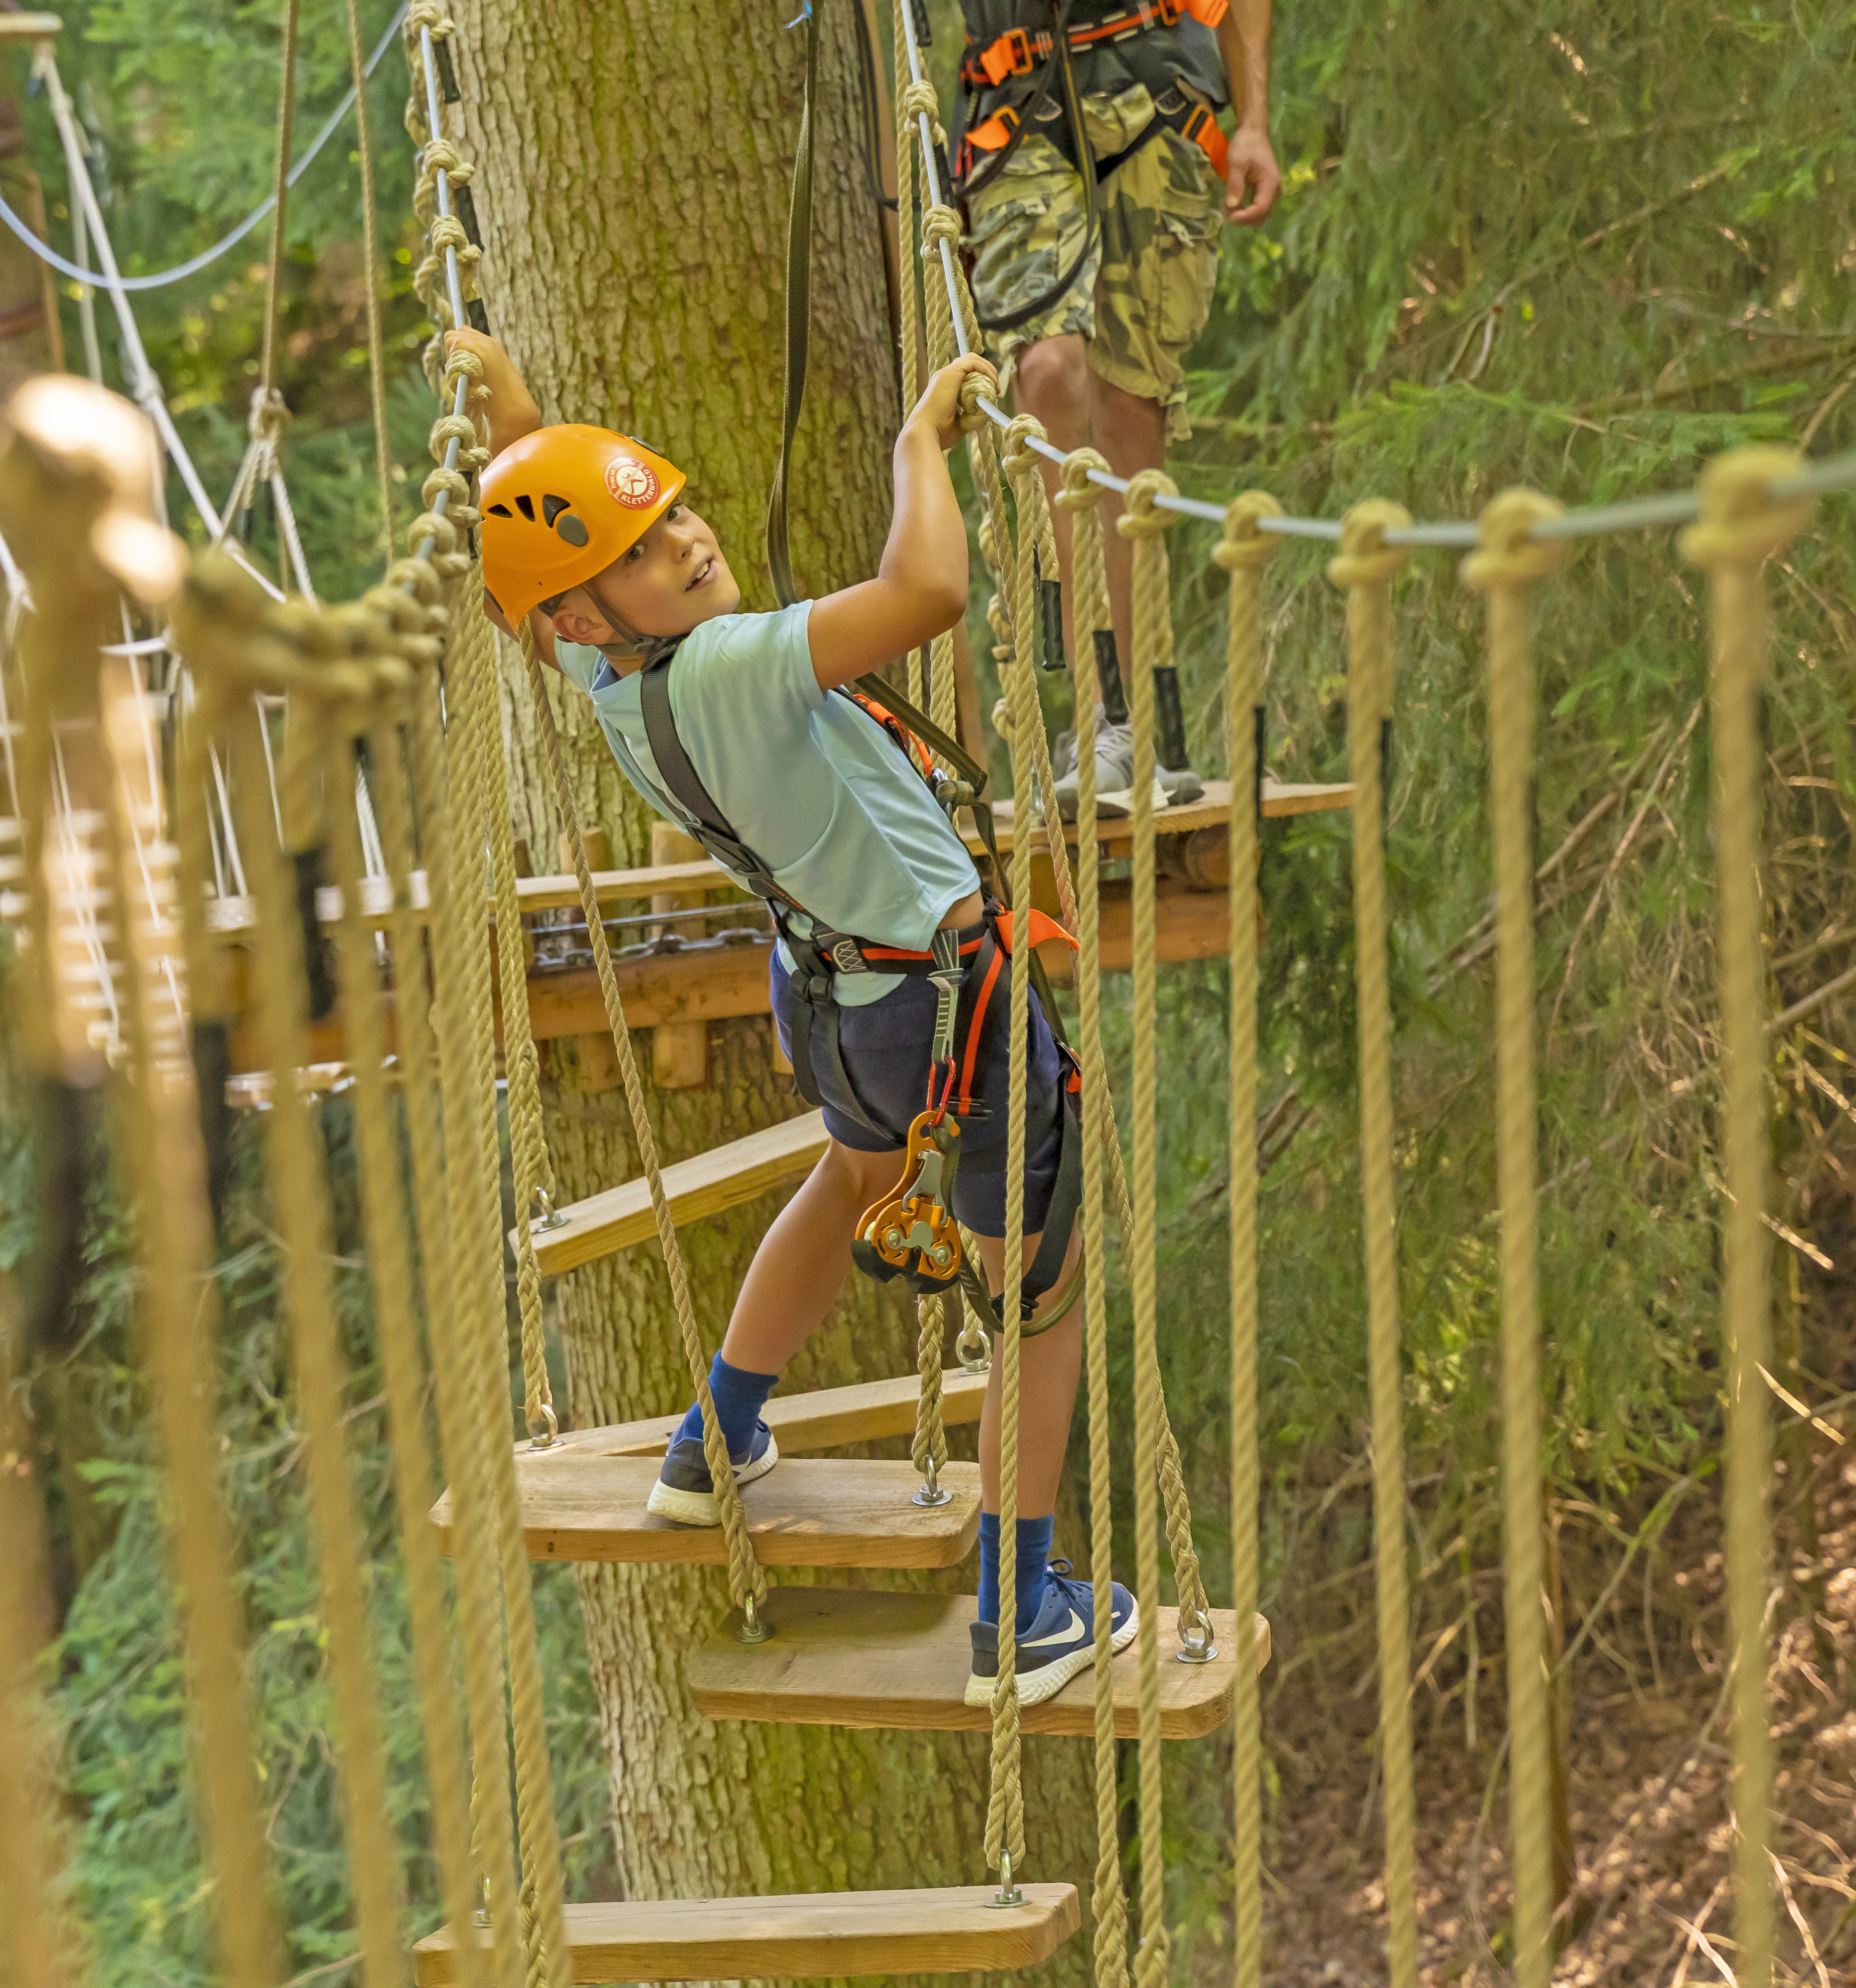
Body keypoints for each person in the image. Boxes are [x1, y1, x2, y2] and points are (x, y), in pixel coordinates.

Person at [449, 324, 1130, 1710]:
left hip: (834, 1000)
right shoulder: (739, 662)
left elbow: (534, 615)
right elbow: (928, 587)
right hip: (950, 1009)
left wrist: (520, 429)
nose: (688, 544)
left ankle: (716, 1440)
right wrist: (915, 444)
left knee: (855, 1176)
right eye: (643, 554)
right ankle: (1023, 1612)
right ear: (588, 614)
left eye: (674, 515)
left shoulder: (620, 686)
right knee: (1037, 1306)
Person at [950, 0, 1280, 814]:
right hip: (1015, 104)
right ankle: (1102, 719)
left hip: (1160, 85)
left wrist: (1255, 121)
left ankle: (1138, 723)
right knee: (1049, 376)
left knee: (1134, 408)